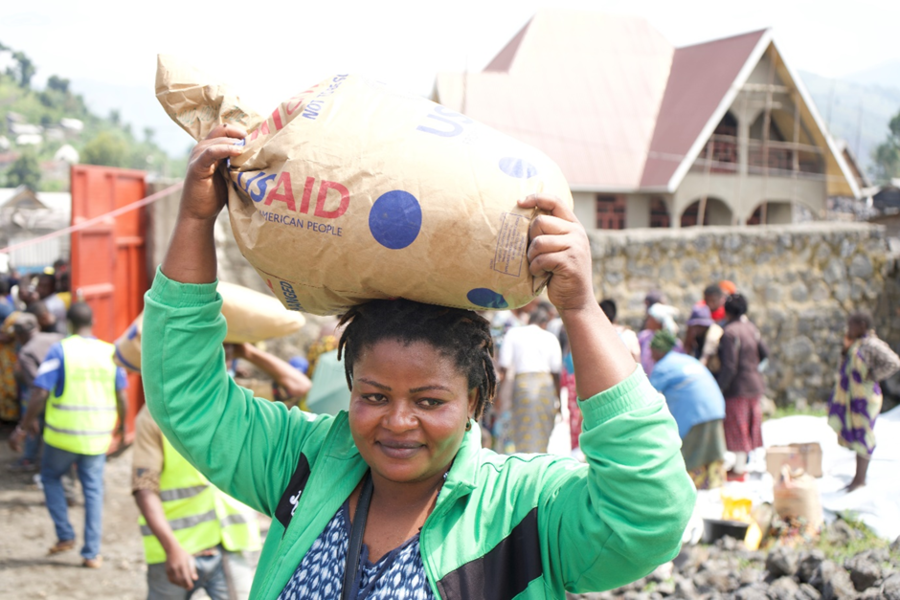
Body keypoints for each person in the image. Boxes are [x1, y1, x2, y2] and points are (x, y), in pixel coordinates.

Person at [141, 123, 694, 599]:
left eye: (429, 401)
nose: (398, 422)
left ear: (475, 400)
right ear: (350, 387)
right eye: (374, 396)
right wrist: (194, 219)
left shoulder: (521, 509)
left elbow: (647, 516)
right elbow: (188, 398)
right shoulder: (304, 465)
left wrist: (578, 306)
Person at [9, 302, 128, 568]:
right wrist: (121, 428)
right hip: (97, 436)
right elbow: (122, 394)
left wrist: (25, 425)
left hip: (62, 436)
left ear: (69, 324)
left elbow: (39, 391)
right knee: (93, 491)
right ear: (93, 321)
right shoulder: (110, 352)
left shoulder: (61, 350)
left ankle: (65, 534)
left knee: (50, 477)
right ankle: (91, 554)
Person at [133, 405, 261, 599]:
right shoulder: (154, 413)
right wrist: (172, 548)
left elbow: (297, 387)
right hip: (176, 548)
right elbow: (144, 488)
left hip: (229, 541)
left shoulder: (233, 400)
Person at [828, 311, 900, 492]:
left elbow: (894, 362)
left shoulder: (872, 345)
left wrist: (874, 375)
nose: (848, 329)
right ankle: (858, 478)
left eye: (851, 325)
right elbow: (843, 367)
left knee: (863, 435)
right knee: (856, 432)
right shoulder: (855, 345)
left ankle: (860, 479)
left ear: (861, 325)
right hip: (853, 397)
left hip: (865, 398)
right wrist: (845, 349)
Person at [649, 330, 727, 490]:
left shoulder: (662, 367)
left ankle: (692, 488)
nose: (650, 356)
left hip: (694, 413)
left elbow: (647, 395)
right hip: (715, 407)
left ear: (659, 350)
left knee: (691, 455)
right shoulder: (686, 360)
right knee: (712, 451)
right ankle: (715, 485)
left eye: (652, 351)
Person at [497, 303, 563, 453]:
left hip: (522, 386)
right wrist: (559, 401)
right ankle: (538, 464)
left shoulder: (514, 333)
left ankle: (522, 464)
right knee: (542, 428)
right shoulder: (550, 337)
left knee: (521, 428)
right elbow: (556, 371)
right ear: (544, 323)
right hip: (545, 388)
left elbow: (504, 366)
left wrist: (498, 395)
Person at [716, 294, 768, 481]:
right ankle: (742, 465)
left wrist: (719, 387)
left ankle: (738, 471)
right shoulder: (751, 328)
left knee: (738, 427)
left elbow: (730, 366)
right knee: (748, 426)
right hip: (754, 384)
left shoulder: (729, 332)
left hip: (737, 388)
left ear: (727, 311)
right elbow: (764, 353)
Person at [7, 313, 64, 471]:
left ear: (19, 335)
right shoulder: (57, 337)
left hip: (46, 396)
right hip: (68, 392)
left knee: (33, 420)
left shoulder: (27, 352)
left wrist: (26, 422)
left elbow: (36, 388)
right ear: (37, 327)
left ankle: (29, 459)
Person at [639, 302, 681, 375]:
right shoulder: (644, 336)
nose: (647, 321)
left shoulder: (674, 342)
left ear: (657, 321)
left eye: (650, 318)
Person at [684, 305, 723, 374]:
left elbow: (704, 360)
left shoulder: (713, 334)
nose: (696, 329)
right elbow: (686, 350)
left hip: (715, 372)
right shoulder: (699, 333)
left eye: (699, 326)